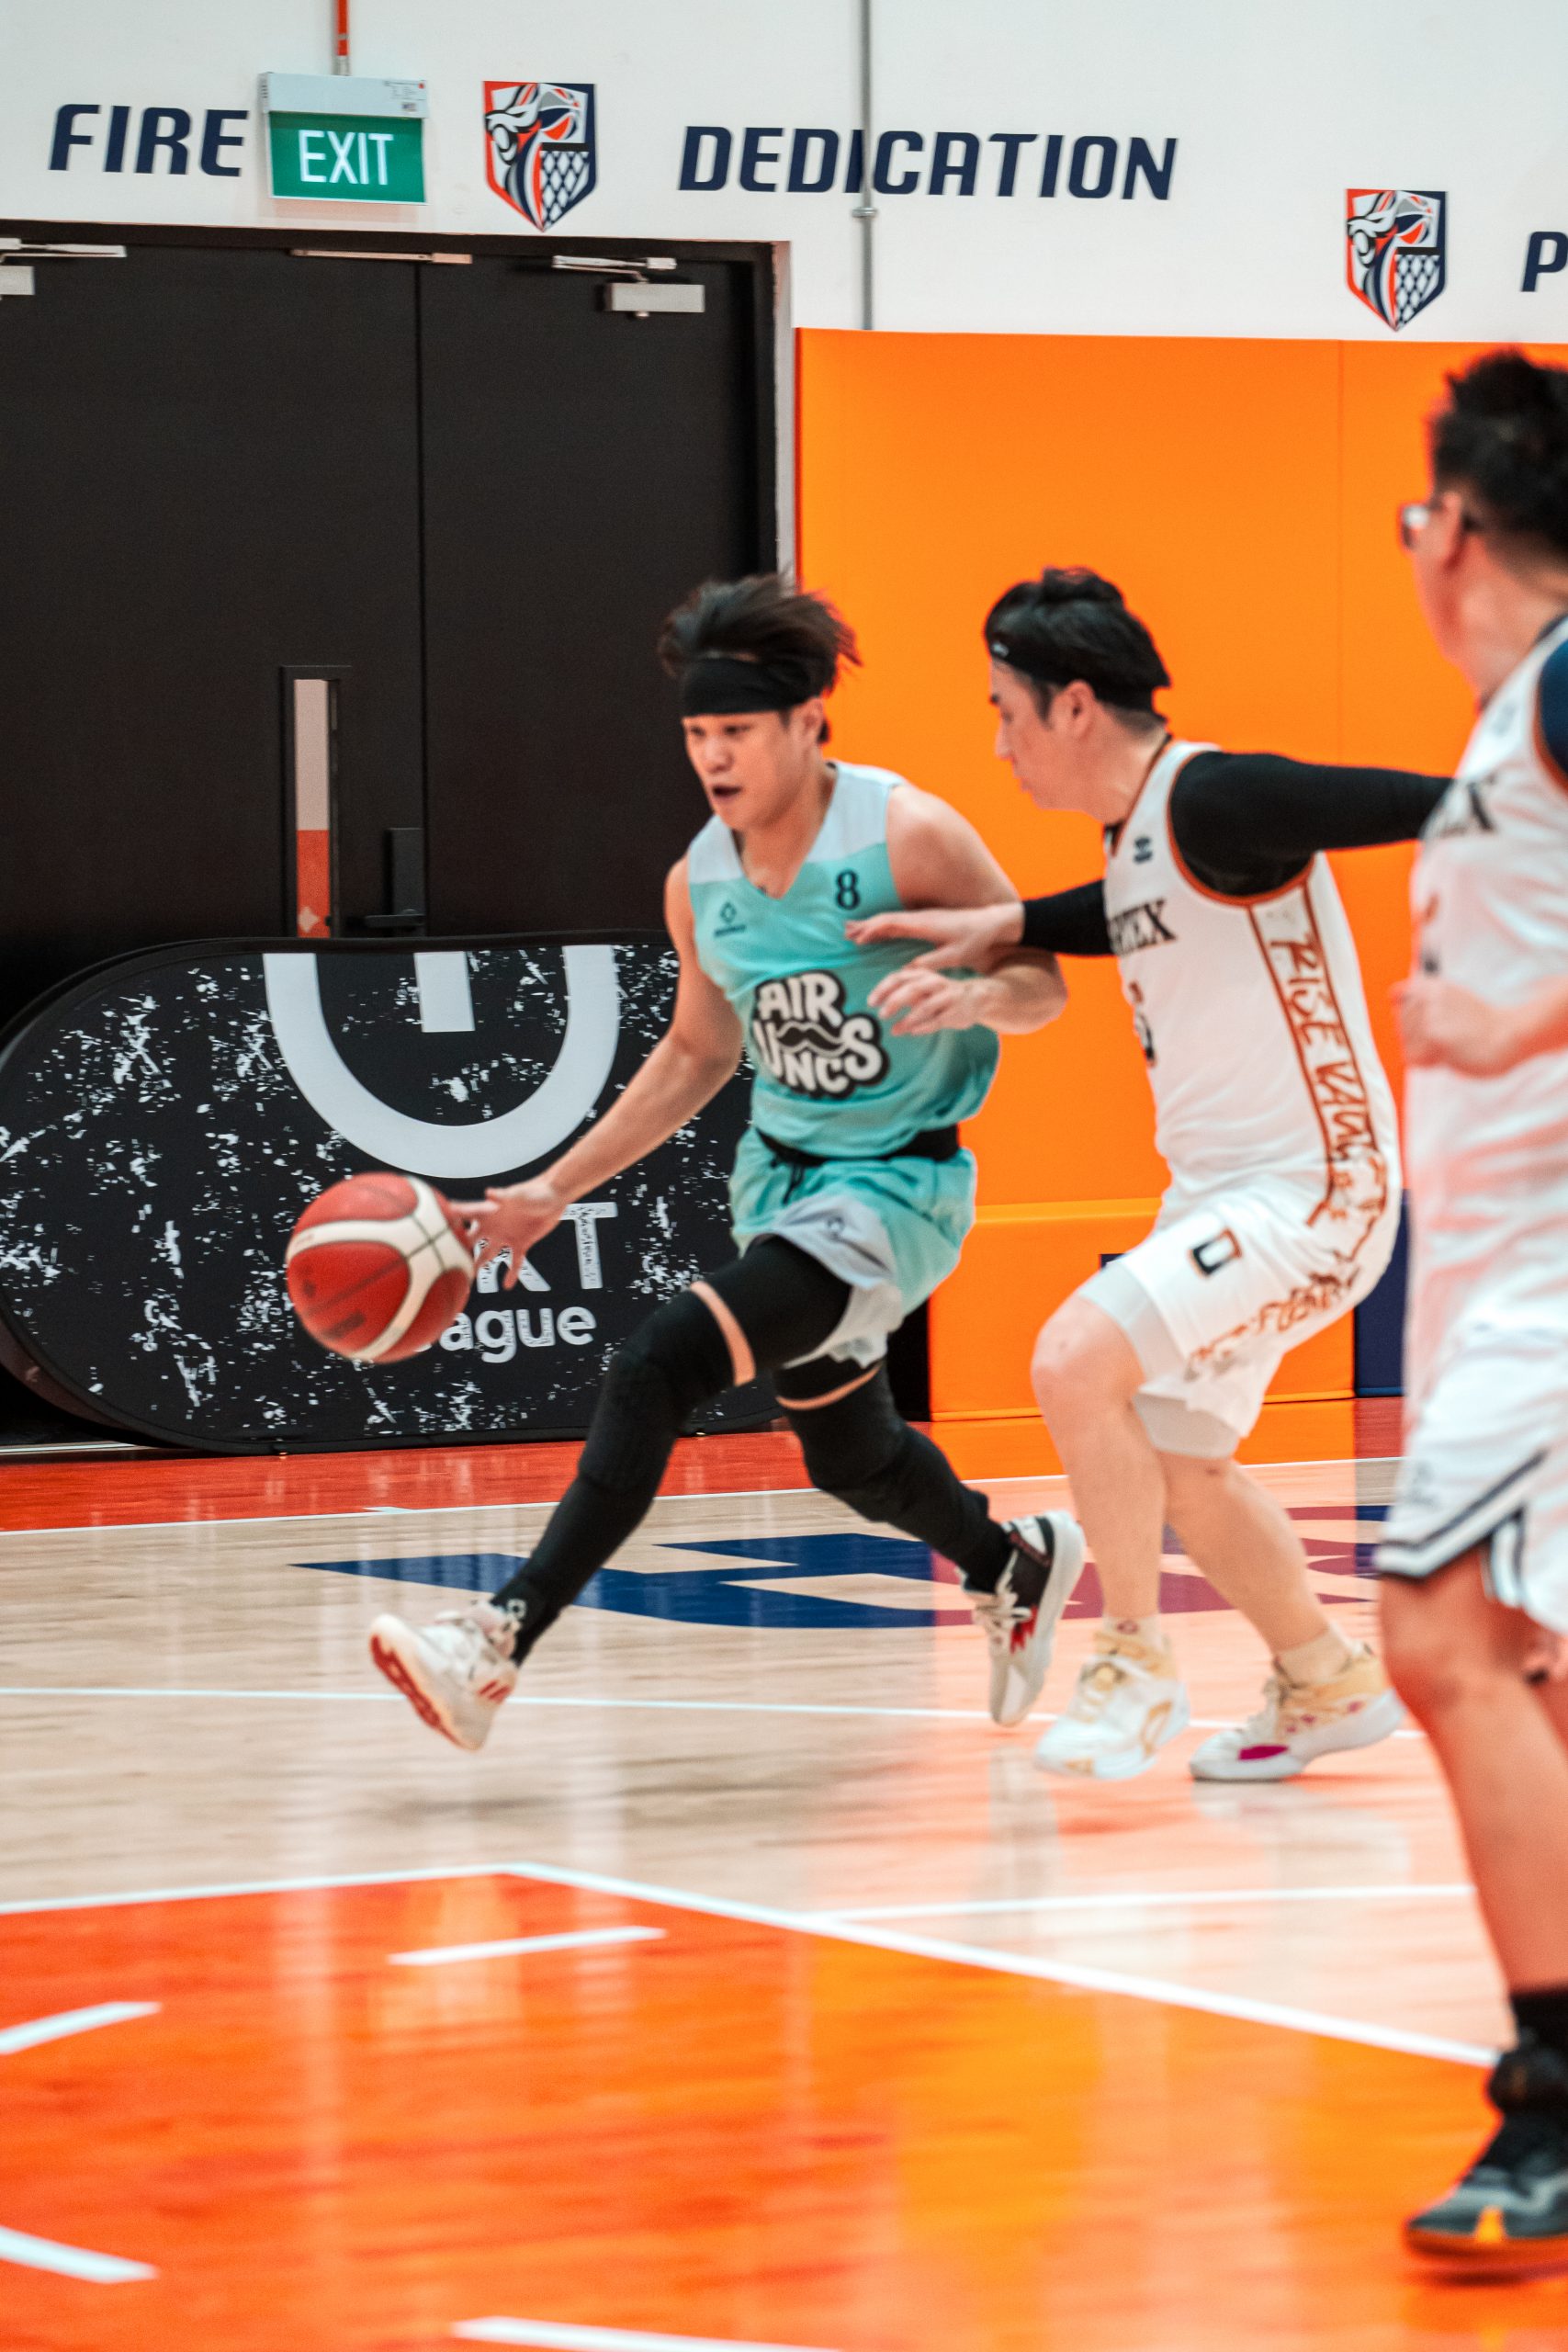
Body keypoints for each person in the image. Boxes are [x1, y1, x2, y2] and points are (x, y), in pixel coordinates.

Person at [369, 573, 1084, 1751]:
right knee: (850, 1457)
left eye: (738, 730)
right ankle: (1014, 1563)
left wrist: (974, 995)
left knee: (659, 1362)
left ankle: (495, 1641)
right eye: (698, 732)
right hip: (783, 1185)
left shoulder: (907, 833)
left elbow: (1042, 982)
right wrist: (552, 1188)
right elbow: (697, 1052)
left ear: (809, 720)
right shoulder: (700, 881)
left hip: (897, 1189)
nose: (713, 756)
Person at [852, 567, 1447, 1784]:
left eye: (1005, 712)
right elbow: (1120, 906)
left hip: (1315, 1193)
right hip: (1227, 1198)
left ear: (1073, 705)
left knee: (1073, 1360)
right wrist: (1005, 926)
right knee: (1174, 1461)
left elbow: (1424, 802)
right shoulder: (1138, 840)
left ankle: (1131, 1664)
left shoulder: (1215, 796)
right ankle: (1325, 1677)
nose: (999, 745)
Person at [1371, 351, 1568, 2267]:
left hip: (1553, 1285)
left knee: (1437, 1631)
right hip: (1498, 1279)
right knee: (1530, 1667)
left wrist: (1515, 1023)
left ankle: (1551, 2104)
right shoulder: (1515, 720)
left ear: (1453, 533)